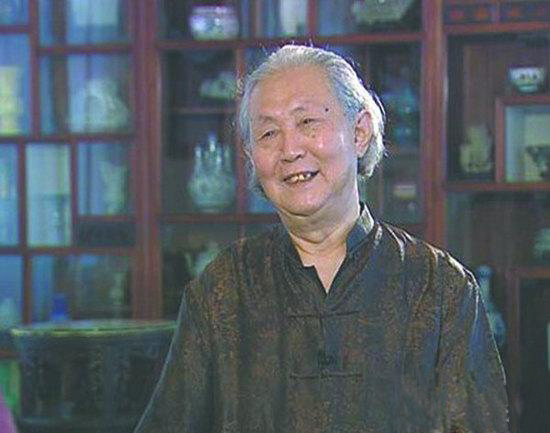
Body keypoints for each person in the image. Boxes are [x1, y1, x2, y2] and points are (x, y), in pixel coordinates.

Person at [134, 45, 509, 433]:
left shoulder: (439, 288)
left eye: (308, 122)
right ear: (251, 156)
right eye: (268, 133)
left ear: (359, 132)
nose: (290, 150)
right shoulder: (223, 290)